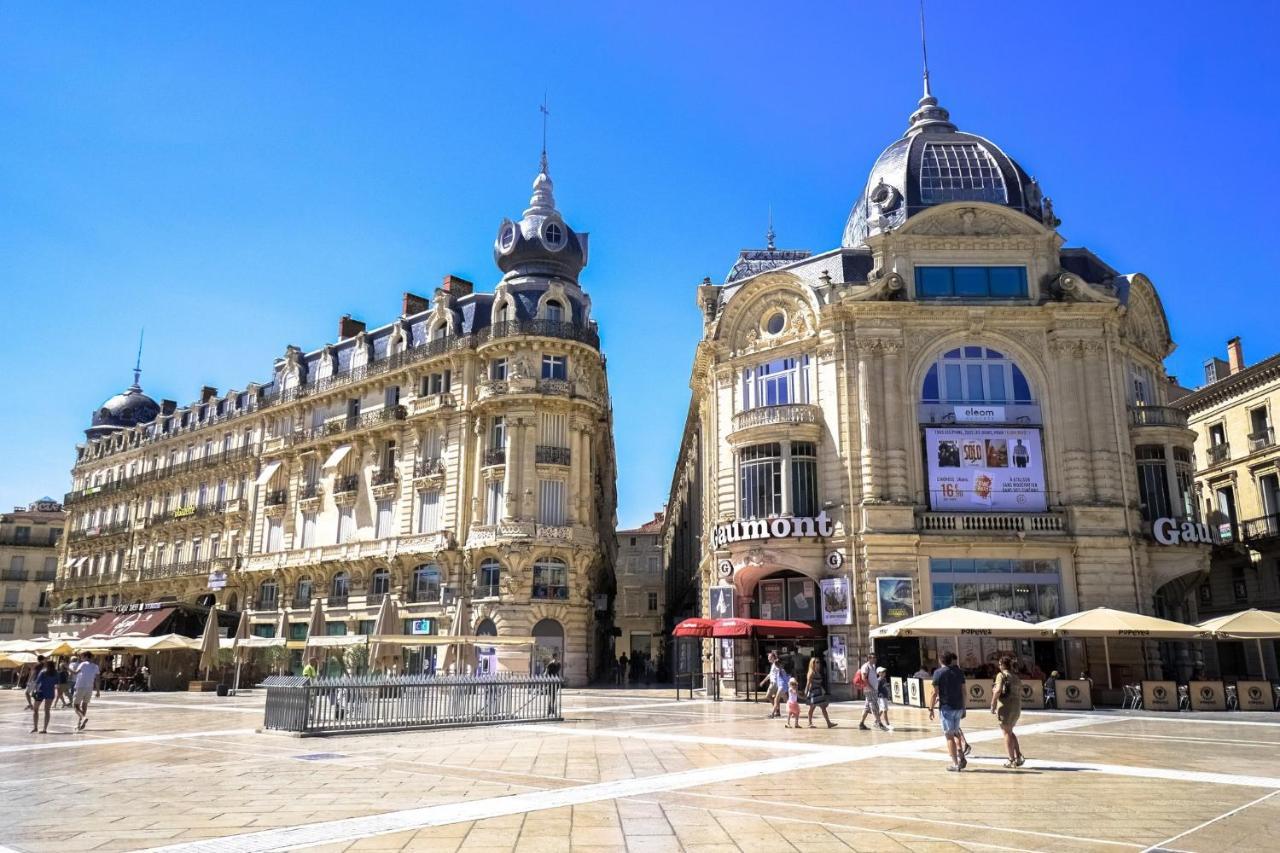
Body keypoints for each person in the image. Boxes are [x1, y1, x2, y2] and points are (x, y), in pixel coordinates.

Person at [928, 651, 968, 772]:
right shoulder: (959, 672)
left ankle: (955, 764)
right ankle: (961, 754)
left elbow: (934, 693)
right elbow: (964, 691)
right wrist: (964, 707)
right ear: (951, 660)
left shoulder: (938, 673)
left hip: (946, 708)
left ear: (940, 661)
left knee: (949, 736)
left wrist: (930, 708)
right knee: (956, 732)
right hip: (958, 707)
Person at [991, 655, 1025, 768]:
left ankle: (1011, 759)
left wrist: (993, 704)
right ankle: (1018, 756)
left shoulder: (1001, 675)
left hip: (1005, 707)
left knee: (1006, 733)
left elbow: (998, 690)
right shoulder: (1015, 677)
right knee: (1010, 731)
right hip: (1016, 706)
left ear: (1001, 664)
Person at [69, 652, 100, 732]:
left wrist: (67, 667)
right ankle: (80, 724)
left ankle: (83, 718)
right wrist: (97, 691)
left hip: (81, 686)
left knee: (75, 705)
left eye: (82, 656)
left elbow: (75, 672)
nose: (81, 658)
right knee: (84, 704)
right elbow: (97, 679)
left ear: (86, 656)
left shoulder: (83, 664)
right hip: (90, 687)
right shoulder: (95, 666)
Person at [857, 653, 887, 731]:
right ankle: (879, 723)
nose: (875, 659)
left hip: (873, 690)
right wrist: (870, 687)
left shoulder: (873, 666)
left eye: (875, 657)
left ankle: (861, 724)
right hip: (869, 690)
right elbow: (864, 678)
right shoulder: (865, 666)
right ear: (869, 658)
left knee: (867, 708)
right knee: (874, 706)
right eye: (873, 657)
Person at [805, 657, 837, 729]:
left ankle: (828, 723)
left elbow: (819, 683)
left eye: (818, 662)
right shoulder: (811, 673)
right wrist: (806, 693)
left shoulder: (818, 672)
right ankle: (810, 723)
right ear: (812, 664)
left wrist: (823, 691)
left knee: (822, 708)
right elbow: (808, 683)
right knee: (812, 708)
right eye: (816, 662)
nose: (818, 664)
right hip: (814, 692)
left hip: (818, 692)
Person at [30, 661, 58, 734]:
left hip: (41, 692)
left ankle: (35, 727)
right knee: (47, 711)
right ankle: (44, 729)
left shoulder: (43, 672)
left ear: (46, 665)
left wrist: (32, 690)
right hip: (50, 692)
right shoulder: (56, 673)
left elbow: (37, 682)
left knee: (35, 709)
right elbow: (57, 683)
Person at [760, 651, 784, 718]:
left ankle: (776, 710)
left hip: (774, 683)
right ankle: (777, 711)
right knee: (776, 698)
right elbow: (770, 675)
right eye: (768, 657)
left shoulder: (775, 664)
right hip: (775, 683)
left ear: (773, 657)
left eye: (769, 657)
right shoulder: (773, 664)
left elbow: (780, 669)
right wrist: (763, 681)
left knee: (768, 696)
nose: (768, 658)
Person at [875, 666, 894, 732]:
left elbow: (885, 688)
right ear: (879, 673)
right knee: (885, 710)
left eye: (884, 672)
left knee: (882, 710)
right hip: (881, 697)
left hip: (884, 697)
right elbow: (876, 689)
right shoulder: (879, 680)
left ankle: (876, 721)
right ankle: (887, 724)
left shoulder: (884, 679)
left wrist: (888, 694)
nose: (884, 673)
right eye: (882, 672)